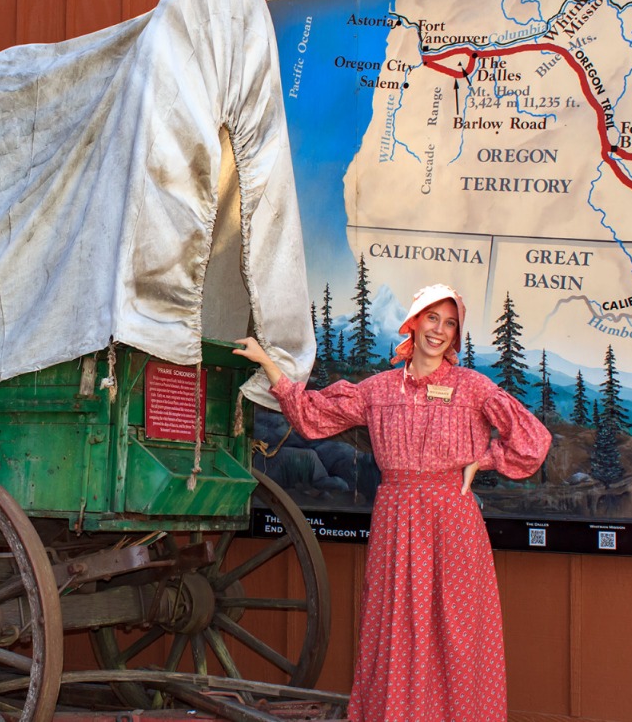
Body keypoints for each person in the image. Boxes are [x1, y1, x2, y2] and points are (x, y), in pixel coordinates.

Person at [234, 283, 550, 722]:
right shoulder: (379, 390)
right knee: (394, 628)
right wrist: (269, 364)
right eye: (432, 318)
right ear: (414, 323)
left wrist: (486, 458)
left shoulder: (473, 387)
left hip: (451, 523)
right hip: (397, 520)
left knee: (454, 631)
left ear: (456, 335)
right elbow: (311, 416)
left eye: (450, 323)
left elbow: (533, 440)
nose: (439, 331)